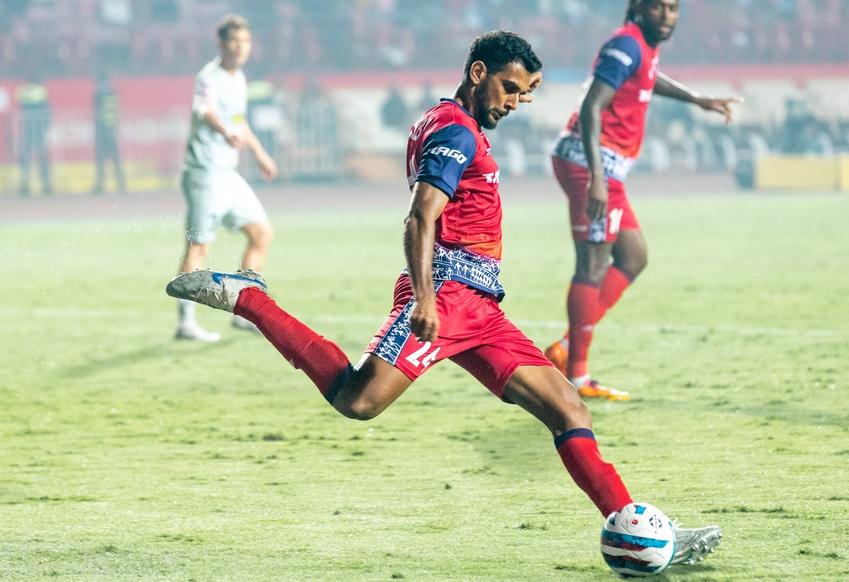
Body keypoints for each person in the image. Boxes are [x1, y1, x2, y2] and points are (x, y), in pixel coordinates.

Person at [166, 30, 721, 568]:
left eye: (524, 93)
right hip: (448, 296)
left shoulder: (453, 122)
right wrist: (426, 299)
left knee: (568, 408)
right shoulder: (455, 132)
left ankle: (640, 527)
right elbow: (420, 216)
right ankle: (249, 299)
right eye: (509, 87)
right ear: (477, 73)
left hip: (481, 309)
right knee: (357, 401)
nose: (515, 102)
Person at [545, 0, 740, 400]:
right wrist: (597, 178)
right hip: (592, 165)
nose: (667, 16)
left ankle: (566, 348)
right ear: (639, 9)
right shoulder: (626, 45)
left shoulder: (643, 47)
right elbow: (591, 107)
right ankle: (576, 375)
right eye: (659, 8)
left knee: (633, 257)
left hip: (606, 168)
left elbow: (648, 78)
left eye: (674, 8)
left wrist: (697, 99)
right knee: (593, 264)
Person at [174, 14, 278, 342]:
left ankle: (244, 311)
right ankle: (186, 322)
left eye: (245, 42)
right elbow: (204, 111)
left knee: (261, 233)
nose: (241, 48)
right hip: (204, 173)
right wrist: (224, 131)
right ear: (221, 44)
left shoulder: (239, 78)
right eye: (234, 41)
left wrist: (259, 154)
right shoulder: (210, 76)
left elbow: (239, 120)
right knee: (198, 245)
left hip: (228, 174)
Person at [15, 76, 52, 197]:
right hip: (38, 130)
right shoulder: (41, 91)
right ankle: (46, 184)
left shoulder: (22, 91)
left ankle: (25, 184)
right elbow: (47, 110)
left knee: (25, 157)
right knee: (43, 157)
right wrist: (47, 126)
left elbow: (21, 106)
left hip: (26, 130)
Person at [93, 72, 126, 195]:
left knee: (101, 158)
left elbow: (96, 111)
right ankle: (121, 182)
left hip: (102, 129)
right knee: (115, 158)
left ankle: (100, 184)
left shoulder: (98, 93)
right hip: (111, 128)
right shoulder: (113, 92)